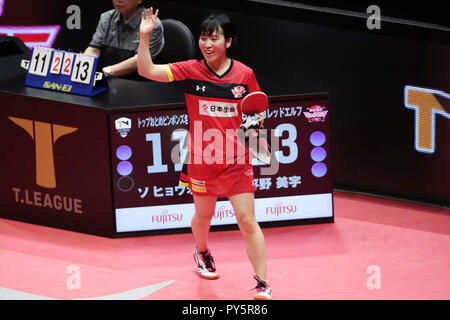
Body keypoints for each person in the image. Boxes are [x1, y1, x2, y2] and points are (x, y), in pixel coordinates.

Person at [137, 8, 272, 300]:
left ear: (229, 42)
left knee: (248, 220)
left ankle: (263, 282)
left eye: (214, 38)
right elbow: (146, 71)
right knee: (204, 214)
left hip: (236, 160)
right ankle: (202, 252)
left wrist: (255, 121)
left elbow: (257, 107)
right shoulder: (189, 70)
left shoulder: (244, 74)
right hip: (202, 160)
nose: (207, 44)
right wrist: (145, 37)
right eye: (203, 38)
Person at [85, 0, 164, 79]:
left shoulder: (152, 24)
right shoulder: (106, 17)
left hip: (137, 82)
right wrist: (84, 66)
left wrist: (107, 71)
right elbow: (94, 49)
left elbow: (139, 60)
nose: (119, 0)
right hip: (107, 79)